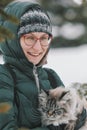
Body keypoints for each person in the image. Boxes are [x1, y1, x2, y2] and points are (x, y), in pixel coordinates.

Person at [0, 1, 86, 130]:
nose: (38, 47)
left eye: (44, 38)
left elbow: (73, 115)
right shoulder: (4, 77)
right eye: (29, 38)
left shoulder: (50, 76)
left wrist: (80, 115)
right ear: (13, 40)